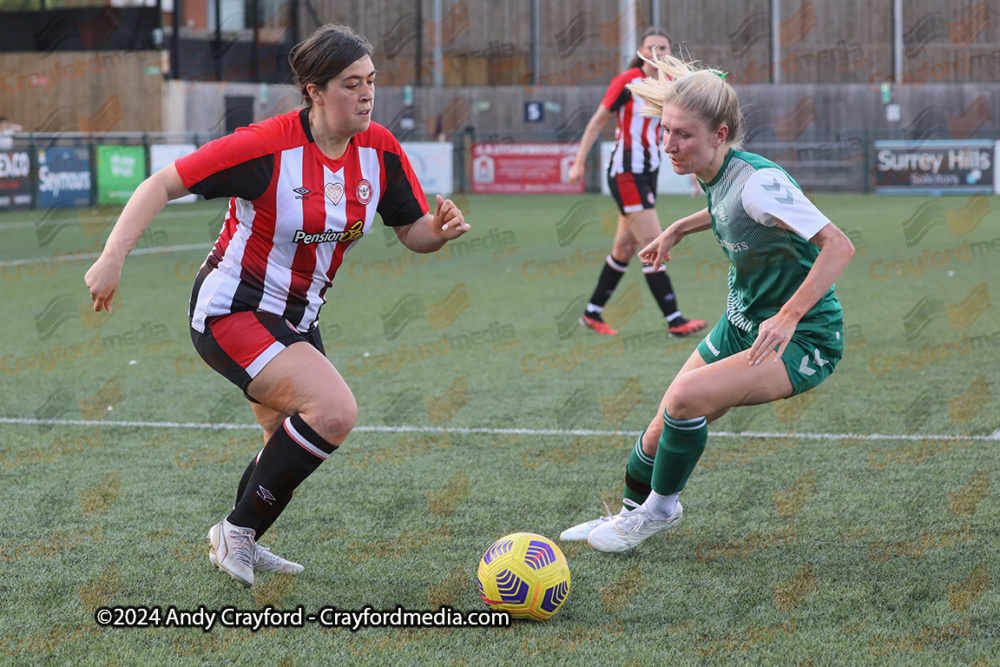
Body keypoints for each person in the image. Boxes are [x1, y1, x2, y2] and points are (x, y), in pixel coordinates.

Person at [84, 24, 470, 587]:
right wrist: (112, 257)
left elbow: (411, 230)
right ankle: (235, 533)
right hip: (230, 309)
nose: (366, 95)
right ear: (314, 90)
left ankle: (243, 536)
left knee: (282, 441)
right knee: (333, 412)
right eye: (350, 83)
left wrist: (438, 230)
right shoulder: (266, 144)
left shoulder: (380, 148)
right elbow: (159, 184)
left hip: (298, 318)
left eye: (371, 82)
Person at [560, 52, 854, 552]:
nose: (669, 145)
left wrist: (789, 315)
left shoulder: (762, 183)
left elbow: (838, 245)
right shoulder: (716, 171)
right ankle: (629, 513)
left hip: (803, 339)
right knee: (659, 426)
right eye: (666, 131)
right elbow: (725, 206)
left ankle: (659, 512)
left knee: (683, 400)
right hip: (743, 322)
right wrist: (676, 228)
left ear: (720, 135)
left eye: (683, 135)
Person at [567, 27, 706, 337]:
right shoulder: (627, 81)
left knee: (625, 249)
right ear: (642, 51)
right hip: (626, 172)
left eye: (663, 47)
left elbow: (684, 132)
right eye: (651, 47)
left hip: (648, 172)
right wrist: (578, 162)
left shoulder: (672, 85)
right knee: (653, 245)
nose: (658, 52)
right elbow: (596, 123)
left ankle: (592, 313)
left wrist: (696, 170)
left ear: (670, 52)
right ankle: (675, 320)